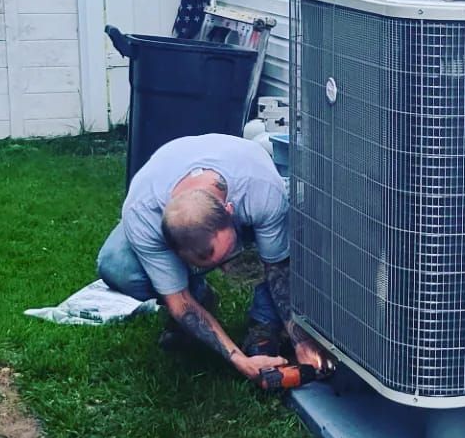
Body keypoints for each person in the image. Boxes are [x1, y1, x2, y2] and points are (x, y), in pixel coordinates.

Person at [96, 133, 323, 388]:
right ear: (171, 248)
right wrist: (241, 361)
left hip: (253, 188)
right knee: (116, 265)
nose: (225, 269)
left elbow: (278, 268)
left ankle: (264, 321)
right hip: (158, 209)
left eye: (227, 254)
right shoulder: (143, 215)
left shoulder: (260, 189)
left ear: (230, 211)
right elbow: (180, 302)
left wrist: (300, 339)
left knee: (303, 207)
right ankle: (200, 296)